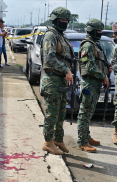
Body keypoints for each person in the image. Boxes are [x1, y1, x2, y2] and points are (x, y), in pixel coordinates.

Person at [40, 7, 74, 155]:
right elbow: (49, 58)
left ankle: (58, 139)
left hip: (61, 81)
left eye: (67, 20)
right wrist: (66, 70)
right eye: (63, 20)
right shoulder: (50, 35)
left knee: (61, 114)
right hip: (53, 80)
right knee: (51, 114)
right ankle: (48, 142)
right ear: (55, 19)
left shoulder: (62, 36)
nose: (65, 22)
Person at [77, 19, 111, 153]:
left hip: (94, 84)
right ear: (91, 30)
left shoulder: (95, 44)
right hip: (89, 84)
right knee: (84, 114)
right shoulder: (88, 46)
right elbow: (89, 67)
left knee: (89, 113)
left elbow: (98, 63)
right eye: (98, 31)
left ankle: (87, 136)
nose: (100, 33)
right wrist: (103, 76)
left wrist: (107, 70)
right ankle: (82, 142)